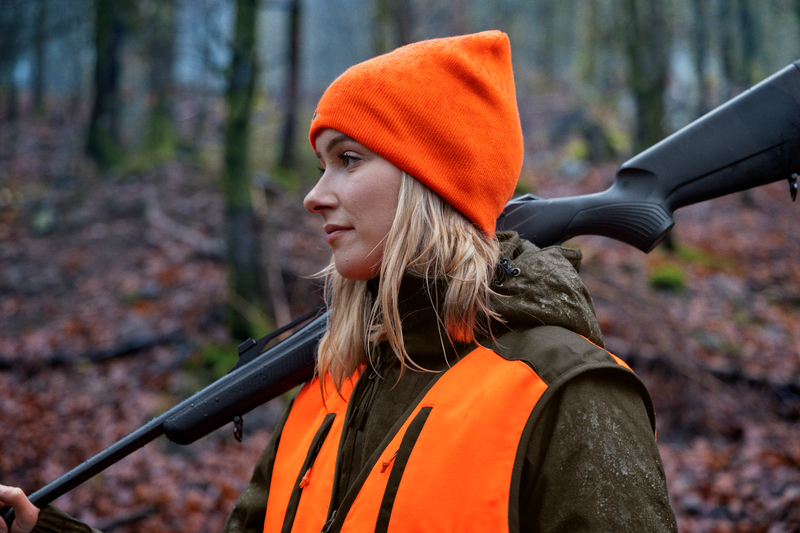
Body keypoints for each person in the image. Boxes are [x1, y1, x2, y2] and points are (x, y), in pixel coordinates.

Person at [1, 30, 677, 533]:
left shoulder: (570, 394)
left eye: (348, 160)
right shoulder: (333, 380)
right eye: (322, 164)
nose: (314, 195)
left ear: (430, 182)